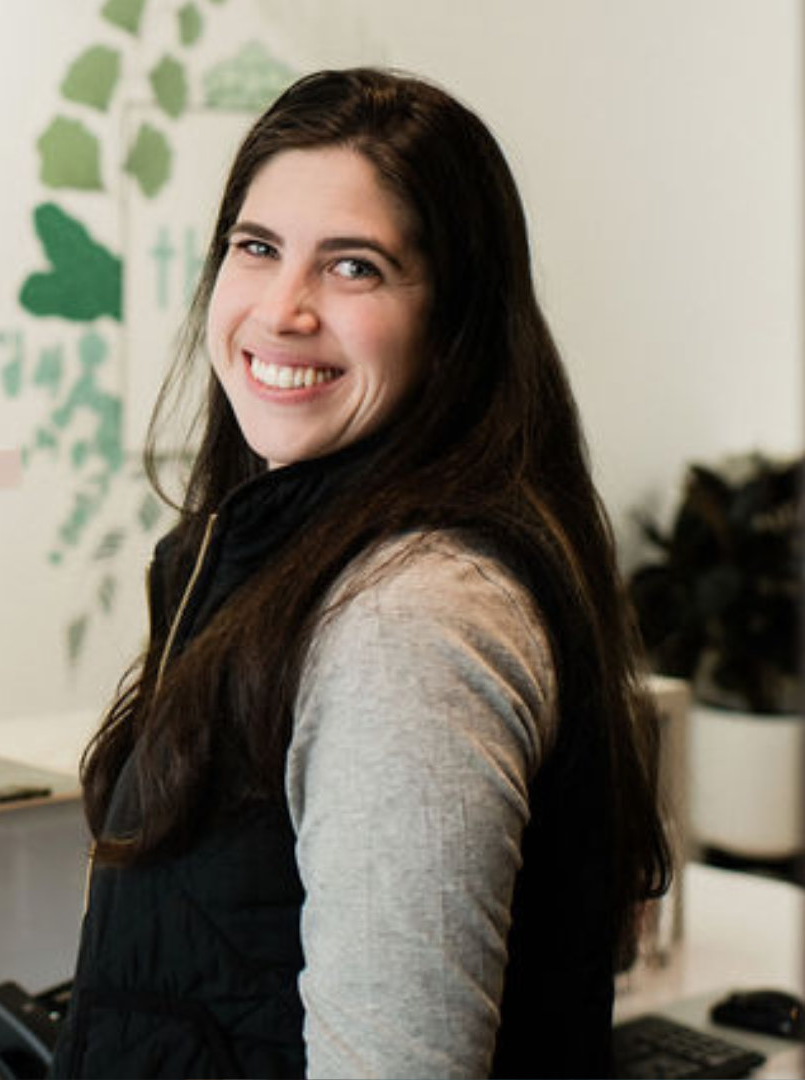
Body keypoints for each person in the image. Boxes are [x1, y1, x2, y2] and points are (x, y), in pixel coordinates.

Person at [50, 67, 671, 1079]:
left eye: (356, 268)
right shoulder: (274, 549)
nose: (283, 310)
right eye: (257, 249)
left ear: (453, 322)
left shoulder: (411, 618)